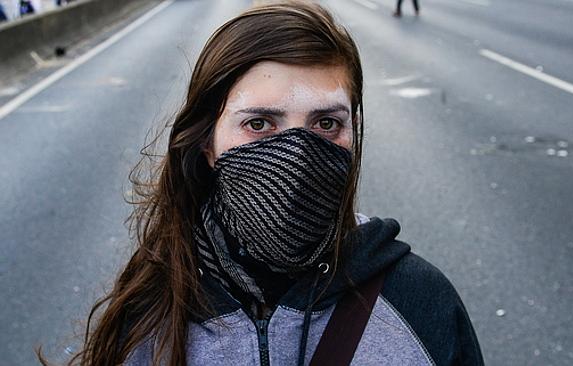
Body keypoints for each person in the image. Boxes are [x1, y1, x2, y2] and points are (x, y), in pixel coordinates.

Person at [38, 1, 483, 365]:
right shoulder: (150, 314)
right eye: (259, 124)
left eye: (326, 123)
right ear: (207, 143)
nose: (299, 154)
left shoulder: (421, 303)